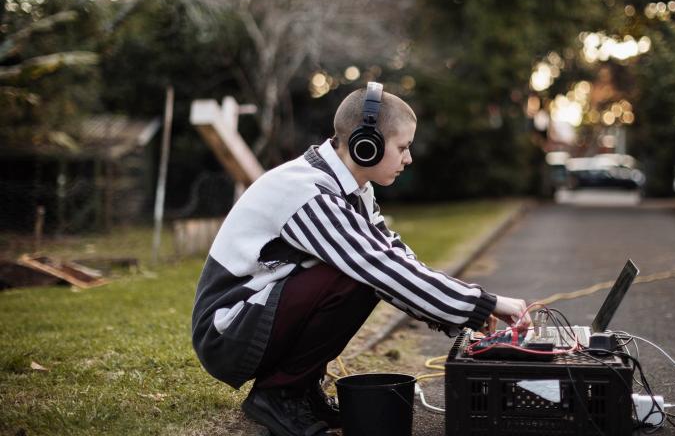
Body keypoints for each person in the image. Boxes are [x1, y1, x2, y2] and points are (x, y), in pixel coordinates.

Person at [191, 82, 532, 436]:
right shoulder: (306, 192)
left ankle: (301, 389)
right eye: (402, 147)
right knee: (356, 274)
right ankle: (277, 395)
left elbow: (400, 261)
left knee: (366, 271)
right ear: (365, 145)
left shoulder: (355, 190)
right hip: (227, 332)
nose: (408, 158)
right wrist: (485, 304)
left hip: (257, 317)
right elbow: (380, 268)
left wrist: (471, 313)